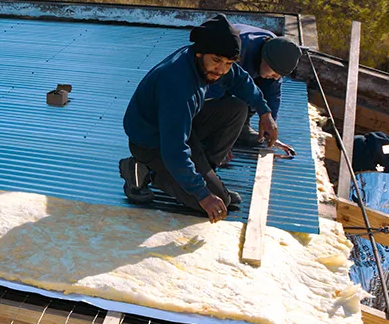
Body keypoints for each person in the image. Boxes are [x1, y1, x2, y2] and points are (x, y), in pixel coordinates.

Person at [118, 15, 278, 223]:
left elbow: (240, 80)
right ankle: (144, 170)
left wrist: (265, 113)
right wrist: (203, 194)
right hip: (152, 143)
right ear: (200, 52)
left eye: (229, 63)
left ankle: (204, 177)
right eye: (217, 61)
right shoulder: (177, 86)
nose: (221, 70)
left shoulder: (206, 62)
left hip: (180, 127)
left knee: (237, 108)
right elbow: (174, 149)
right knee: (214, 203)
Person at [206, 24, 301, 155]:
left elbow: (272, 95)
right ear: (264, 59)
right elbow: (211, 93)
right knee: (231, 97)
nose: (276, 77)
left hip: (249, 69)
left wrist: (269, 126)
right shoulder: (238, 49)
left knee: (261, 89)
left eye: (280, 75)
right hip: (215, 78)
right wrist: (218, 141)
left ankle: (241, 127)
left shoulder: (277, 53)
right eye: (274, 72)